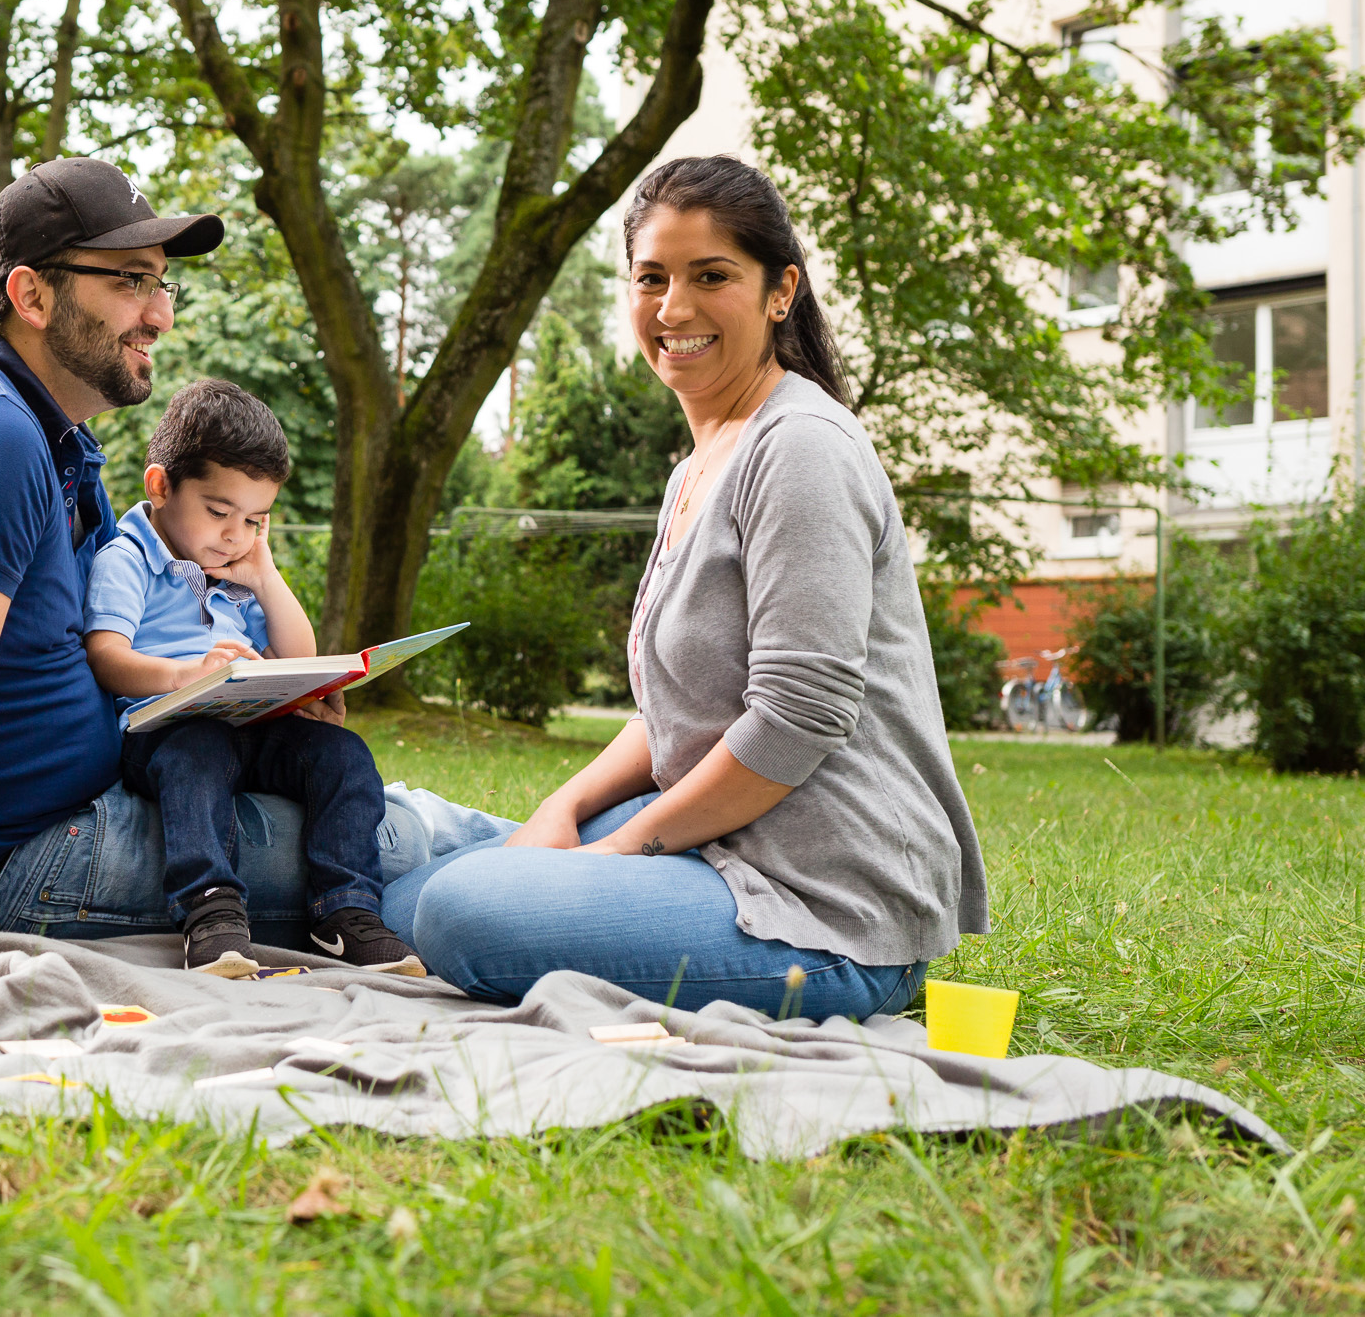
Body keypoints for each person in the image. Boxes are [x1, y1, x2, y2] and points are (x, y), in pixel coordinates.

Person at [0, 158, 509, 994]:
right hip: (26, 866)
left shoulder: (47, 435)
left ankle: (626, 836)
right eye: (132, 281)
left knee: (388, 812)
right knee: (415, 847)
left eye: (165, 285)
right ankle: (639, 854)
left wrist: (261, 695)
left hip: (102, 809)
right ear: (32, 295)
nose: (162, 315)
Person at [381, 155, 989, 1019]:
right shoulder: (700, 465)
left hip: (827, 914)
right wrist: (565, 807)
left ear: (782, 291)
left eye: (711, 276)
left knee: (454, 911)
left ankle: (475, 850)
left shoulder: (801, 447)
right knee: (406, 894)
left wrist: (623, 847)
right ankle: (462, 841)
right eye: (651, 277)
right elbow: (678, 709)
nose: (673, 309)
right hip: (714, 849)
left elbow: (799, 713)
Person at [83, 379, 423, 977]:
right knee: (198, 753)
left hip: (245, 722)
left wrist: (266, 577)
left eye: (256, 520)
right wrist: (186, 674)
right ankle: (210, 912)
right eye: (219, 512)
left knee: (342, 754)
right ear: (161, 486)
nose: (235, 534)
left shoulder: (238, 566)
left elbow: (297, 652)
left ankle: (345, 913)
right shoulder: (128, 557)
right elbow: (105, 656)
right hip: (166, 731)